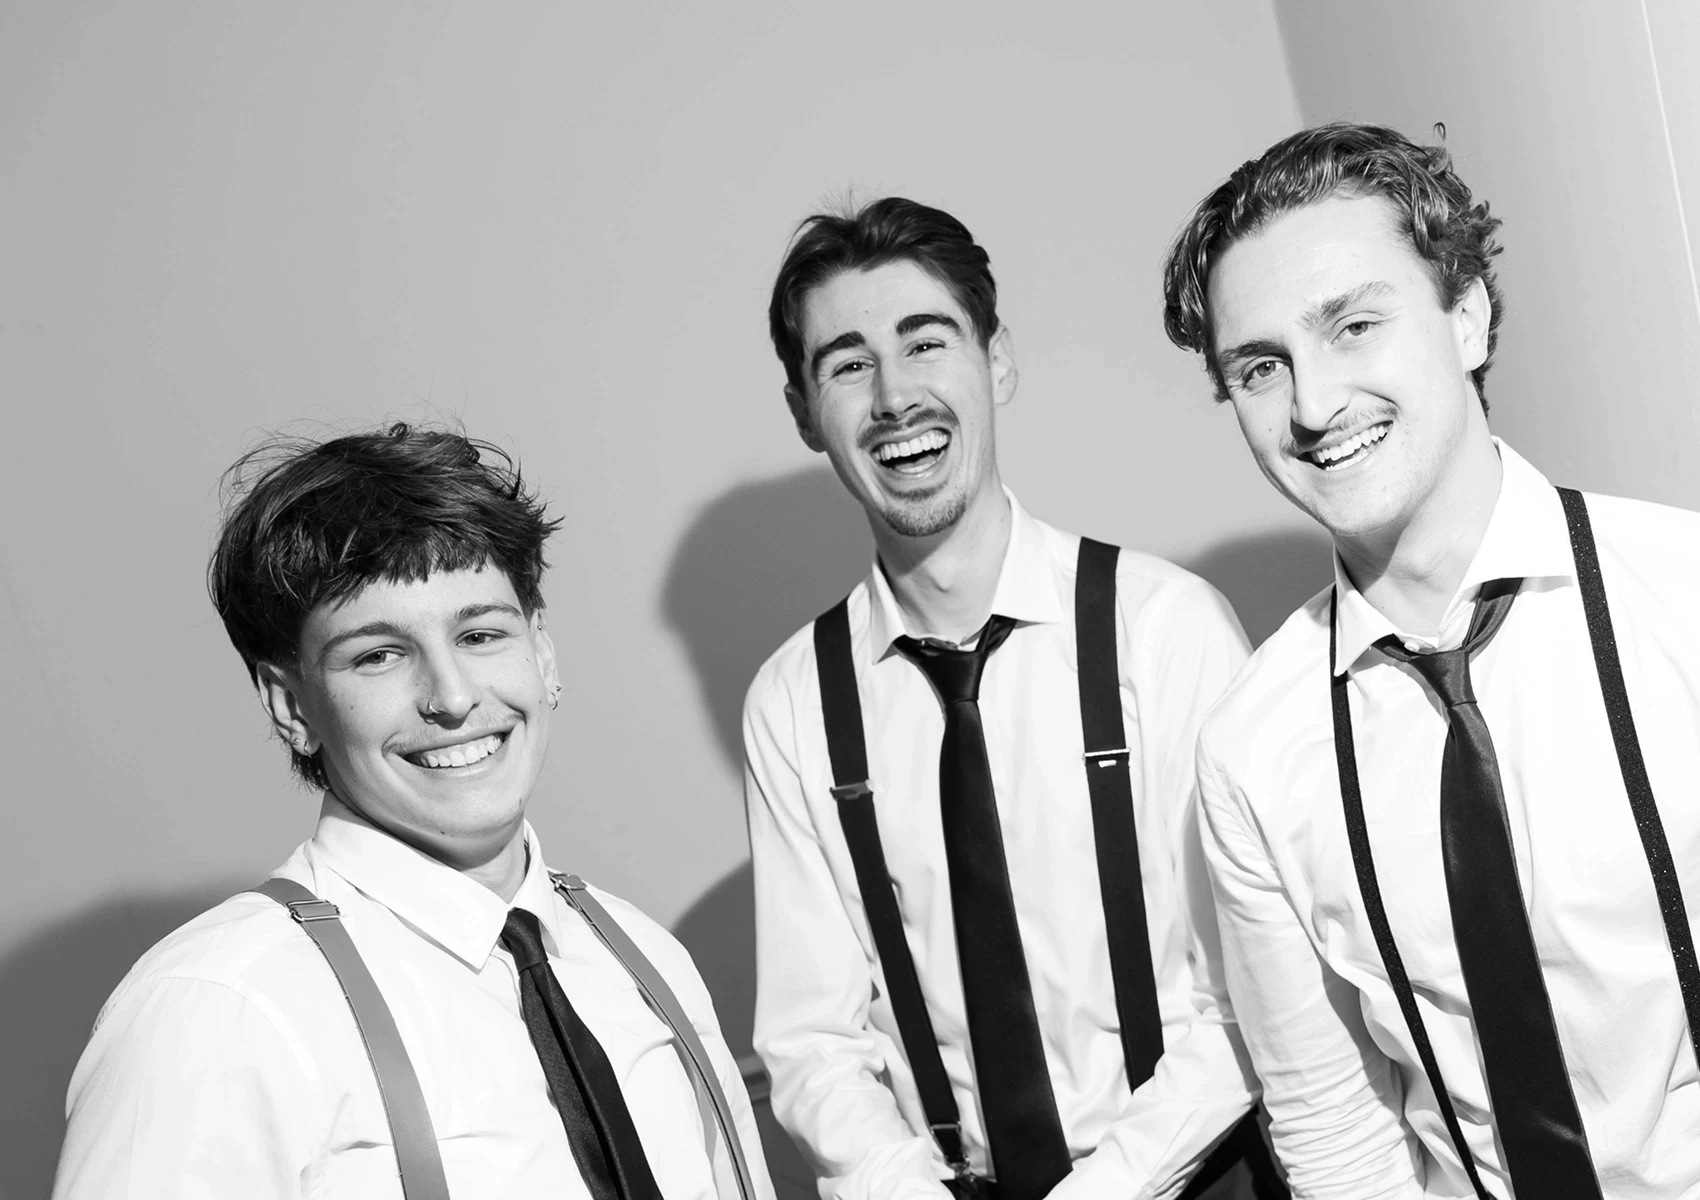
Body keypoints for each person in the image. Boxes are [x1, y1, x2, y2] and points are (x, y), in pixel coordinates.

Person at [1161, 123, 1700, 1199]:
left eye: (1353, 325)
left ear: (1465, 315)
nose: (1312, 405)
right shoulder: (1252, 751)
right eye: (1261, 367)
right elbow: (1331, 1124)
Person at [56, 422, 774, 1200]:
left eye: (480, 634)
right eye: (378, 655)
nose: (453, 697)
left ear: (542, 653)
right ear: (291, 706)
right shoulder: (220, 1009)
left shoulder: (638, 954)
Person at [744, 198, 1276, 1200]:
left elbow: (1250, 990)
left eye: (925, 343)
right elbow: (813, 1043)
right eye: (848, 365)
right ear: (804, 413)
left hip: (1195, 1176)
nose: (894, 397)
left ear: (997, 363)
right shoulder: (790, 704)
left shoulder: (1163, 630)